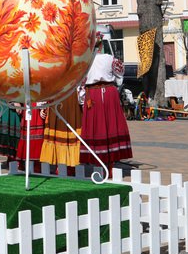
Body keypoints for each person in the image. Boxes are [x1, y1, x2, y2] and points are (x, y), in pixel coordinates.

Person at [79, 33, 133, 172]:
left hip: (93, 95)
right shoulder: (110, 59)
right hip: (109, 93)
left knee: (95, 126)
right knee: (110, 124)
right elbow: (121, 72)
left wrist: (81, 97)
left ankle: (96, 159)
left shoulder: (85, 61)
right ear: (101, 45)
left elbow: (82, 81)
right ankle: (111, 157)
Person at [39, 91, 82, 175]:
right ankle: (55, 164)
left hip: (72, 98)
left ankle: (71, 166)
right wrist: (43, 106)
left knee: (71, 128)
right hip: (56, 95)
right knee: (55, 131)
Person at [14, 102, 46, 173]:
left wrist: (42, 108)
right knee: (27, 133)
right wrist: (17, 103)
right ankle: (23, 162)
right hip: (27, 105)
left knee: (38, 132)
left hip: (37, 106)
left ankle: (37, 164)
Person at [0, 101, 21, 168]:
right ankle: (11, 158)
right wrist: (14, 101)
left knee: (16, 128)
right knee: (10, 128)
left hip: (13, 100)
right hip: (6, 101)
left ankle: (14, 157)